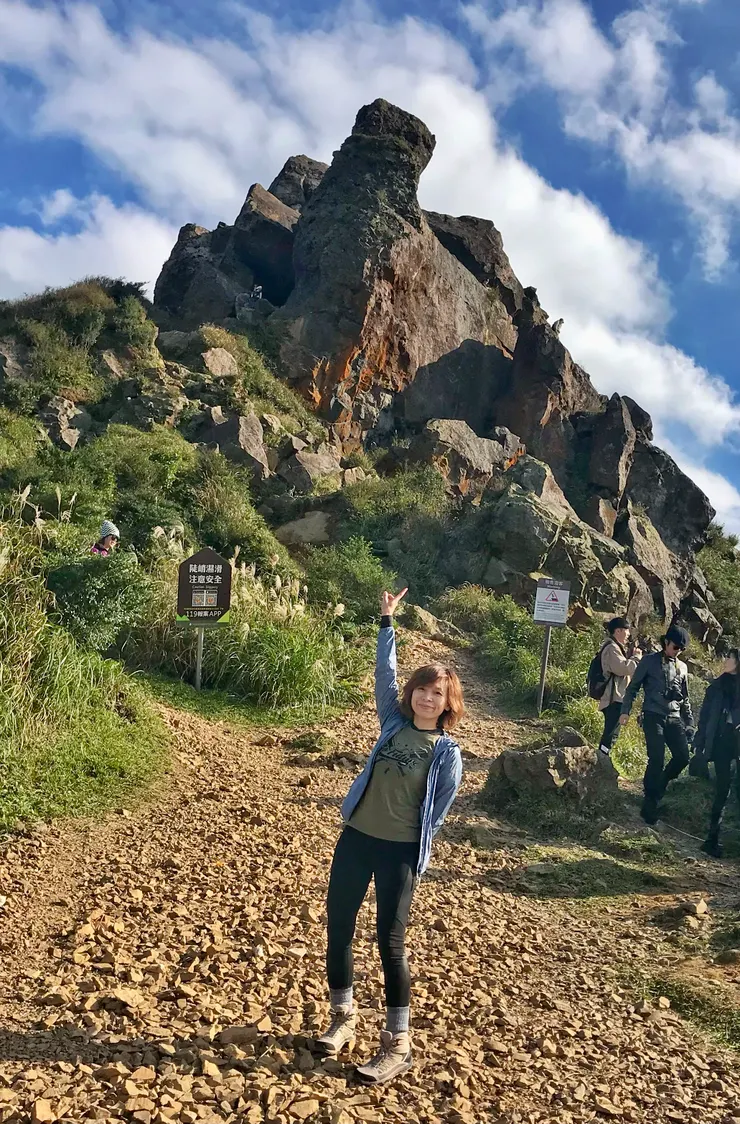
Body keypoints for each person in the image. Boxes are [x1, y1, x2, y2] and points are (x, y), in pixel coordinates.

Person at [316, 587, 464, 1084]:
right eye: (422, 688)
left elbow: (435, 814)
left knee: (390, 943)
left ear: (447, 704)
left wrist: (416, 852)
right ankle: (343, 1017)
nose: (427, 696)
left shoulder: (447, 754)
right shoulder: (392, 724)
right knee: (338, 926)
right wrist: (386, 621)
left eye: (437, 692)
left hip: (399, 851)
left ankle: (397, 1040)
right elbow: (385, 675)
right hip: (356, 836)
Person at [620, 624, 694, 824]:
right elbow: (632, 687)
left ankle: (658, 787)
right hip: (653, 714)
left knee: (682, 757)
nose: (677, 651)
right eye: (676, 647)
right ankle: (649, 802)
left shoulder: (682, 667)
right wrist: (625, 711)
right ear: (666, 642)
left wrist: (690, 724)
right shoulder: (649, 661)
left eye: (681, 649)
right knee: (657, 758)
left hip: (674, 716)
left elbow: (684, 699)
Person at [692, 649, 740, 858]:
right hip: (721, 742)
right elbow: (704, 717)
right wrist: (699, 742)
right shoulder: (716, 686)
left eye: (728, 657)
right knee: (722, 789)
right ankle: (712, 839)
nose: (724, 660)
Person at [597, 617, 641, 758]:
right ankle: (602, 762)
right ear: (618, 631)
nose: (628, 634)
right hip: (613, 698)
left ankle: (603, 761)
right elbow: (623, 668)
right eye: (626, 630)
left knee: (612, 732)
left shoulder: (615, 647)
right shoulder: (612, 648)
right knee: (610, 733)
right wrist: (636, 658)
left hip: (616, 697)